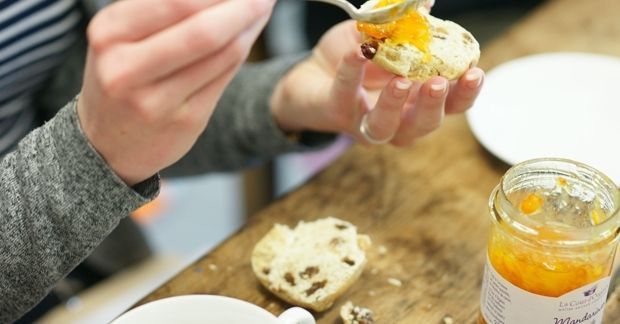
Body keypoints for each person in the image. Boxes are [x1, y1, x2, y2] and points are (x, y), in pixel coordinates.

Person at [0, 0, 484, 322]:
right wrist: (90, 158)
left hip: (102, 270)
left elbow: (63, 97)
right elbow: (86, 133)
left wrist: (285, 99)